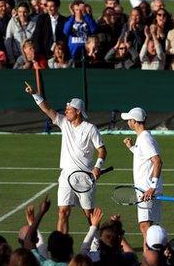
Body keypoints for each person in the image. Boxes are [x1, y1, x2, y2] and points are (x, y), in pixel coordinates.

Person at [24, 83, 106, 234]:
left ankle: (96, 244)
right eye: (66, 110)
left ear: (78, 111)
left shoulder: (90, 129)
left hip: (84, 177)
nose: (66, 112)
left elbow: (102, 150)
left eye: (69, 110)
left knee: (89, 215)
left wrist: (97, 166)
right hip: (66, 175)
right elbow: (47, 109)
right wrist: (34, 93)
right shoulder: (63, 123)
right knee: (62, 212)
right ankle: (61, 243)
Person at [121, 107, 163, 244]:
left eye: (129, 120)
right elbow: (145, 157)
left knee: (145, 228)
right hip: (149, 189)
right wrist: (132, 147)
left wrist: (152, 187)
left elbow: (157, 161)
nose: (127, 122)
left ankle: (149, 260)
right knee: (151, 228)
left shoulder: (145, 139)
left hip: (146, 190)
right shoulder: (144, 138)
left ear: (134, 121)